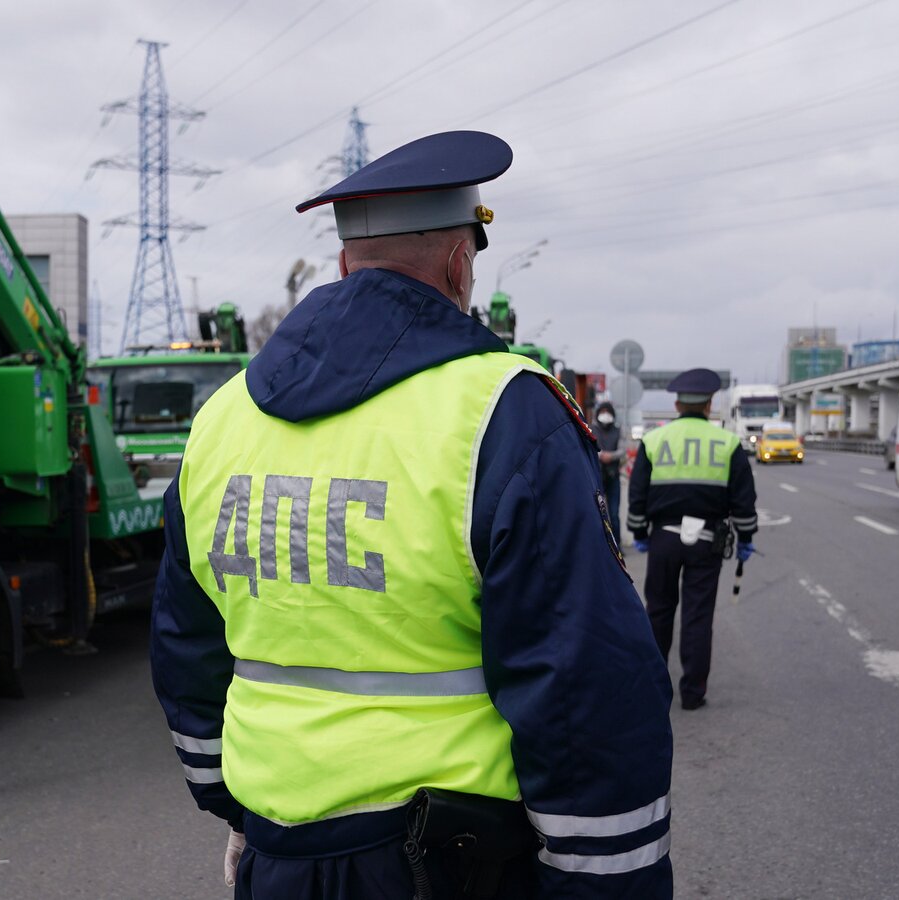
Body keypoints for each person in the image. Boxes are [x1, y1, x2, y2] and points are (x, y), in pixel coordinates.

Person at [150, 130, 674, 900]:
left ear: (342, 265)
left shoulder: (223, 419)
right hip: (451, 864)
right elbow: (584, 683)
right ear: (461, 266)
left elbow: (184, 643)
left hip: (275, 858)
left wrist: (229, 805)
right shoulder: (504, 411)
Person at [627, 368, 757, 711]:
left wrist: (640, 533)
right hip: (707, 541)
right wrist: (746, 537)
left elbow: (637, 494)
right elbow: (743, 501)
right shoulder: (728, 443)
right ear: (710, 404)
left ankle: (655, 690)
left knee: (658, 613)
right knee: (698, 617)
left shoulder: (654, 440)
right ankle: (693, 693)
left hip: (664, 540)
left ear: (677, 403)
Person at [590, 401, 624, 540]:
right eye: (602, 412)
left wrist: (611, 456)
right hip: (597, 476)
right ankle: (601, 544)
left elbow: (623, 450)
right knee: (597, 513)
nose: (605, 415)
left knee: (614, 514)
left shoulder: (617, 430)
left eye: (608, 412)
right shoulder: (592, 429)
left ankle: (618, 544)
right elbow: (589, 447)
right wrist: (601, 455)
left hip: (613, 476)